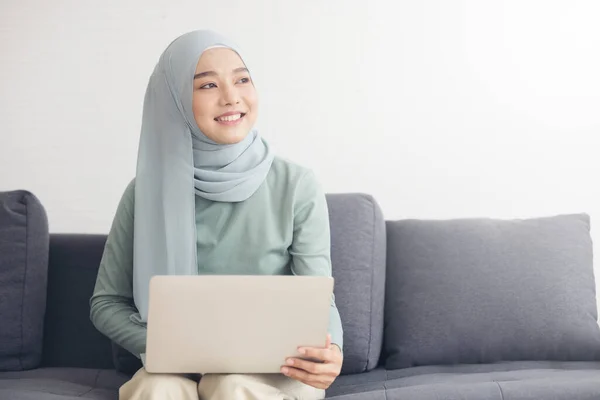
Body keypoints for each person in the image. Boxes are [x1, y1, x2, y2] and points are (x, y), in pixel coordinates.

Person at [89, 30, 344, 400]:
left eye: (242, 79)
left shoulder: (296, 184)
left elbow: (319, 296)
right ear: (175, 100)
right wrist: (174, 346)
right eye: (207, 85)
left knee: (228, 385)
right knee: (156, 389)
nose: (231, 97)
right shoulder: (144, 193)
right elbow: (106, 302)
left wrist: (331, 351)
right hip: (176, 366)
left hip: (277, 368)